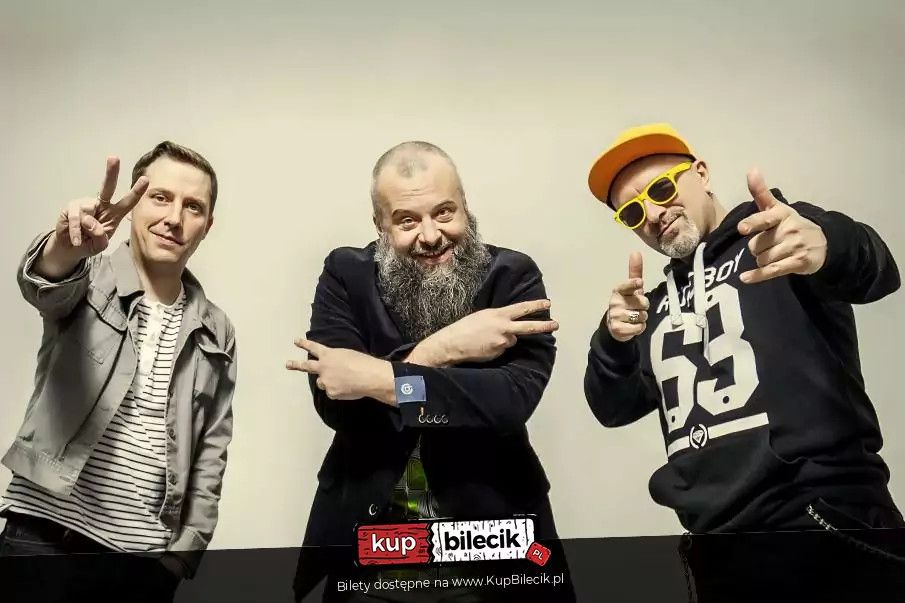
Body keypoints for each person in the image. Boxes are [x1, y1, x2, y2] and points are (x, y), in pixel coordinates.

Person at [583, 122, 902, 534]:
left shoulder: (777, 238)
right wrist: (614, 342)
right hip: (716, 543)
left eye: (661, 189)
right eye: (633, 212)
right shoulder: (654, 308)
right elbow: (612, 408)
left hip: (826, 520)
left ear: (701, 173)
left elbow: (878, 272)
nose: (655, 214)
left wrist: (829, 245)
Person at [288, 141, 570, 601]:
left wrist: (375, 379)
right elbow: (338, 404)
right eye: (407, 220)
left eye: (444, 212)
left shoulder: (513, 276)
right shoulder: (345, 274)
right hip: (372, 553)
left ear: (465, 207)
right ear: (380, 224)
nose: (431, 235)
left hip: (492, 544)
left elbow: (509, 400)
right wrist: (442, 349)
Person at [0, 142, 237, 602]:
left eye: (193, 207)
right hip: (44, 541)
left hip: (142, 567)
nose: (174, 218)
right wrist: (63, 247)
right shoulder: (88, 276)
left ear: (207, 225)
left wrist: (183, 553)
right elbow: (44, 283)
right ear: (132, 205)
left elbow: (213, 446)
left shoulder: (217, 329)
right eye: (160, 197)